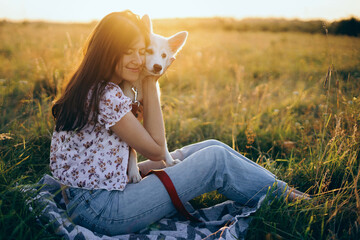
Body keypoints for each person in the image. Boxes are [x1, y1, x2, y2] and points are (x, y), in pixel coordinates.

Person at [50, 10, 309, 236]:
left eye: (141, 51)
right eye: (127, 52)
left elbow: (141, 146)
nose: (139, 60)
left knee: (208, 146)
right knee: (215, 160)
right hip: (103, 210)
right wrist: (151, 82)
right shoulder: (107, 95)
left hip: (93, 194)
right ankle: (295, 202)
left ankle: (284, 191)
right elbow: (155, 148)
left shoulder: (94, 86)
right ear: (106, 51)